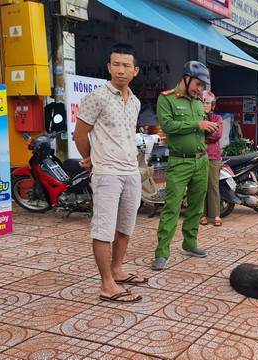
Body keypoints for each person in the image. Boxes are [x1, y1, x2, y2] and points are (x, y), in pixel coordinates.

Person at [73, 43, 145, 304]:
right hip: (107, 173)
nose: (120, 70)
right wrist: (90, 160)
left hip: (131, 171)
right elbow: (80, 134)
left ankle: (117, 270)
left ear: (135, 70)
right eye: (116, 64)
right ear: (108, 67)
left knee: (125, 226)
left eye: (126, 66)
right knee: (103, 229)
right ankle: (106, 284)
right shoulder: (97, 97)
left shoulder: (135, 101)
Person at [150, 61, 219, 270]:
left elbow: (199, 131)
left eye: (202, 86)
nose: (200, 90)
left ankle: (190, 243)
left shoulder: (199, 103)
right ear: (186, 78)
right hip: (180, 162)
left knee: (197, 206)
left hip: (202, 160)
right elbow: (168, 125)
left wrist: (209, 129)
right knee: (172, 206)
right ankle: (162, 252)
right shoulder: (167, 99)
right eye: (198, 84)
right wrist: (196, 124)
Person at [199, 90, 224, 227]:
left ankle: (216, 214)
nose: (205, 105)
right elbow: (197, 133)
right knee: (201, 185)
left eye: (207, 103)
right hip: (200, 155)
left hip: (214, 157)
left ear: (212, 105)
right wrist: (207, 133)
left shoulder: (217, 119)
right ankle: (202, 214)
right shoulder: (197, 118)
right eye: (203, 102)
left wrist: (203, 135)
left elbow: (217, 135)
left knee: (213, 185)